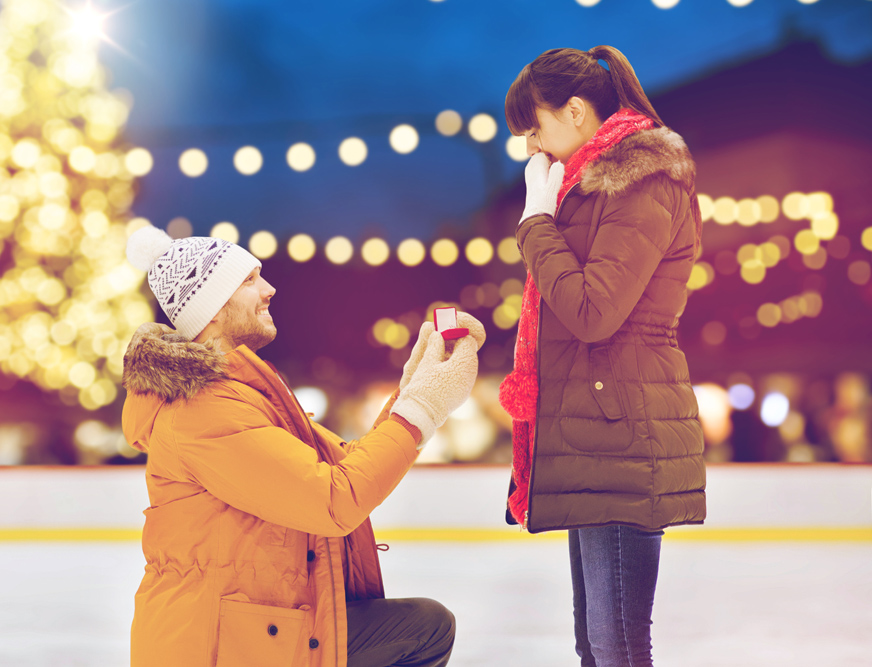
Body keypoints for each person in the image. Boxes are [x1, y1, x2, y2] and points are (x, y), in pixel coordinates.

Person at [120, 225, 485, 667]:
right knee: (423, 629)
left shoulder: (239, 393)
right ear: (211, 310)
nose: (270, 289)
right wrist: (423, 406)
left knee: (421, 625)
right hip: (218, 648)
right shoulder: (203, 411)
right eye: (250, 280)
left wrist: (414, 389)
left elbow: (344, 464)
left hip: (255, 627)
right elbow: (334, 499)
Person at [498, 45, 707, 666]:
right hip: (593, 429)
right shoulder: (589, 186)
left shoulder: (642, 180)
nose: (533, 146)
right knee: (596, 645)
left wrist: (537, 221)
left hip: (622, 430)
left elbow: (592, 313)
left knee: (616, 646)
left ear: (578, 110)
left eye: (536, 127)